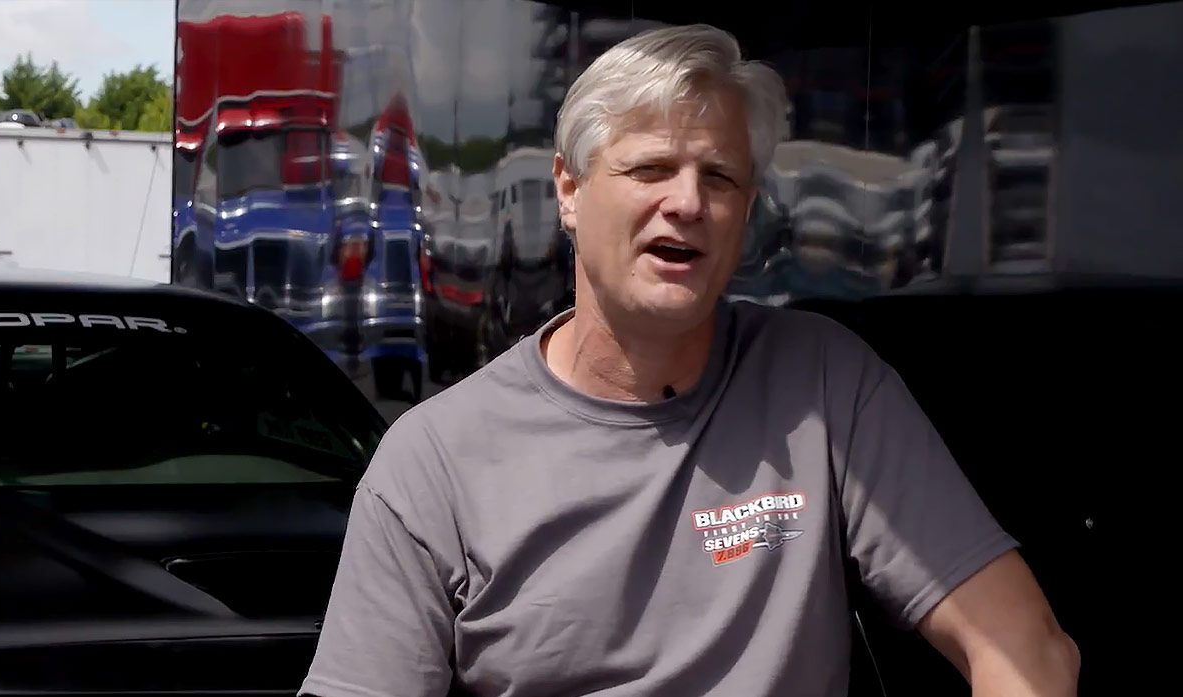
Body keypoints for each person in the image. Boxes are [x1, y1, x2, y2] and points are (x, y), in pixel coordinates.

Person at [300, 23, 1078, 697]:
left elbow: (1029, 654)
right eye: (648, 168)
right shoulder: (433, 465)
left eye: (720, 176)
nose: (687, 201)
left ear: (746, 210)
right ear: (568, 190)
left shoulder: (826, 384)